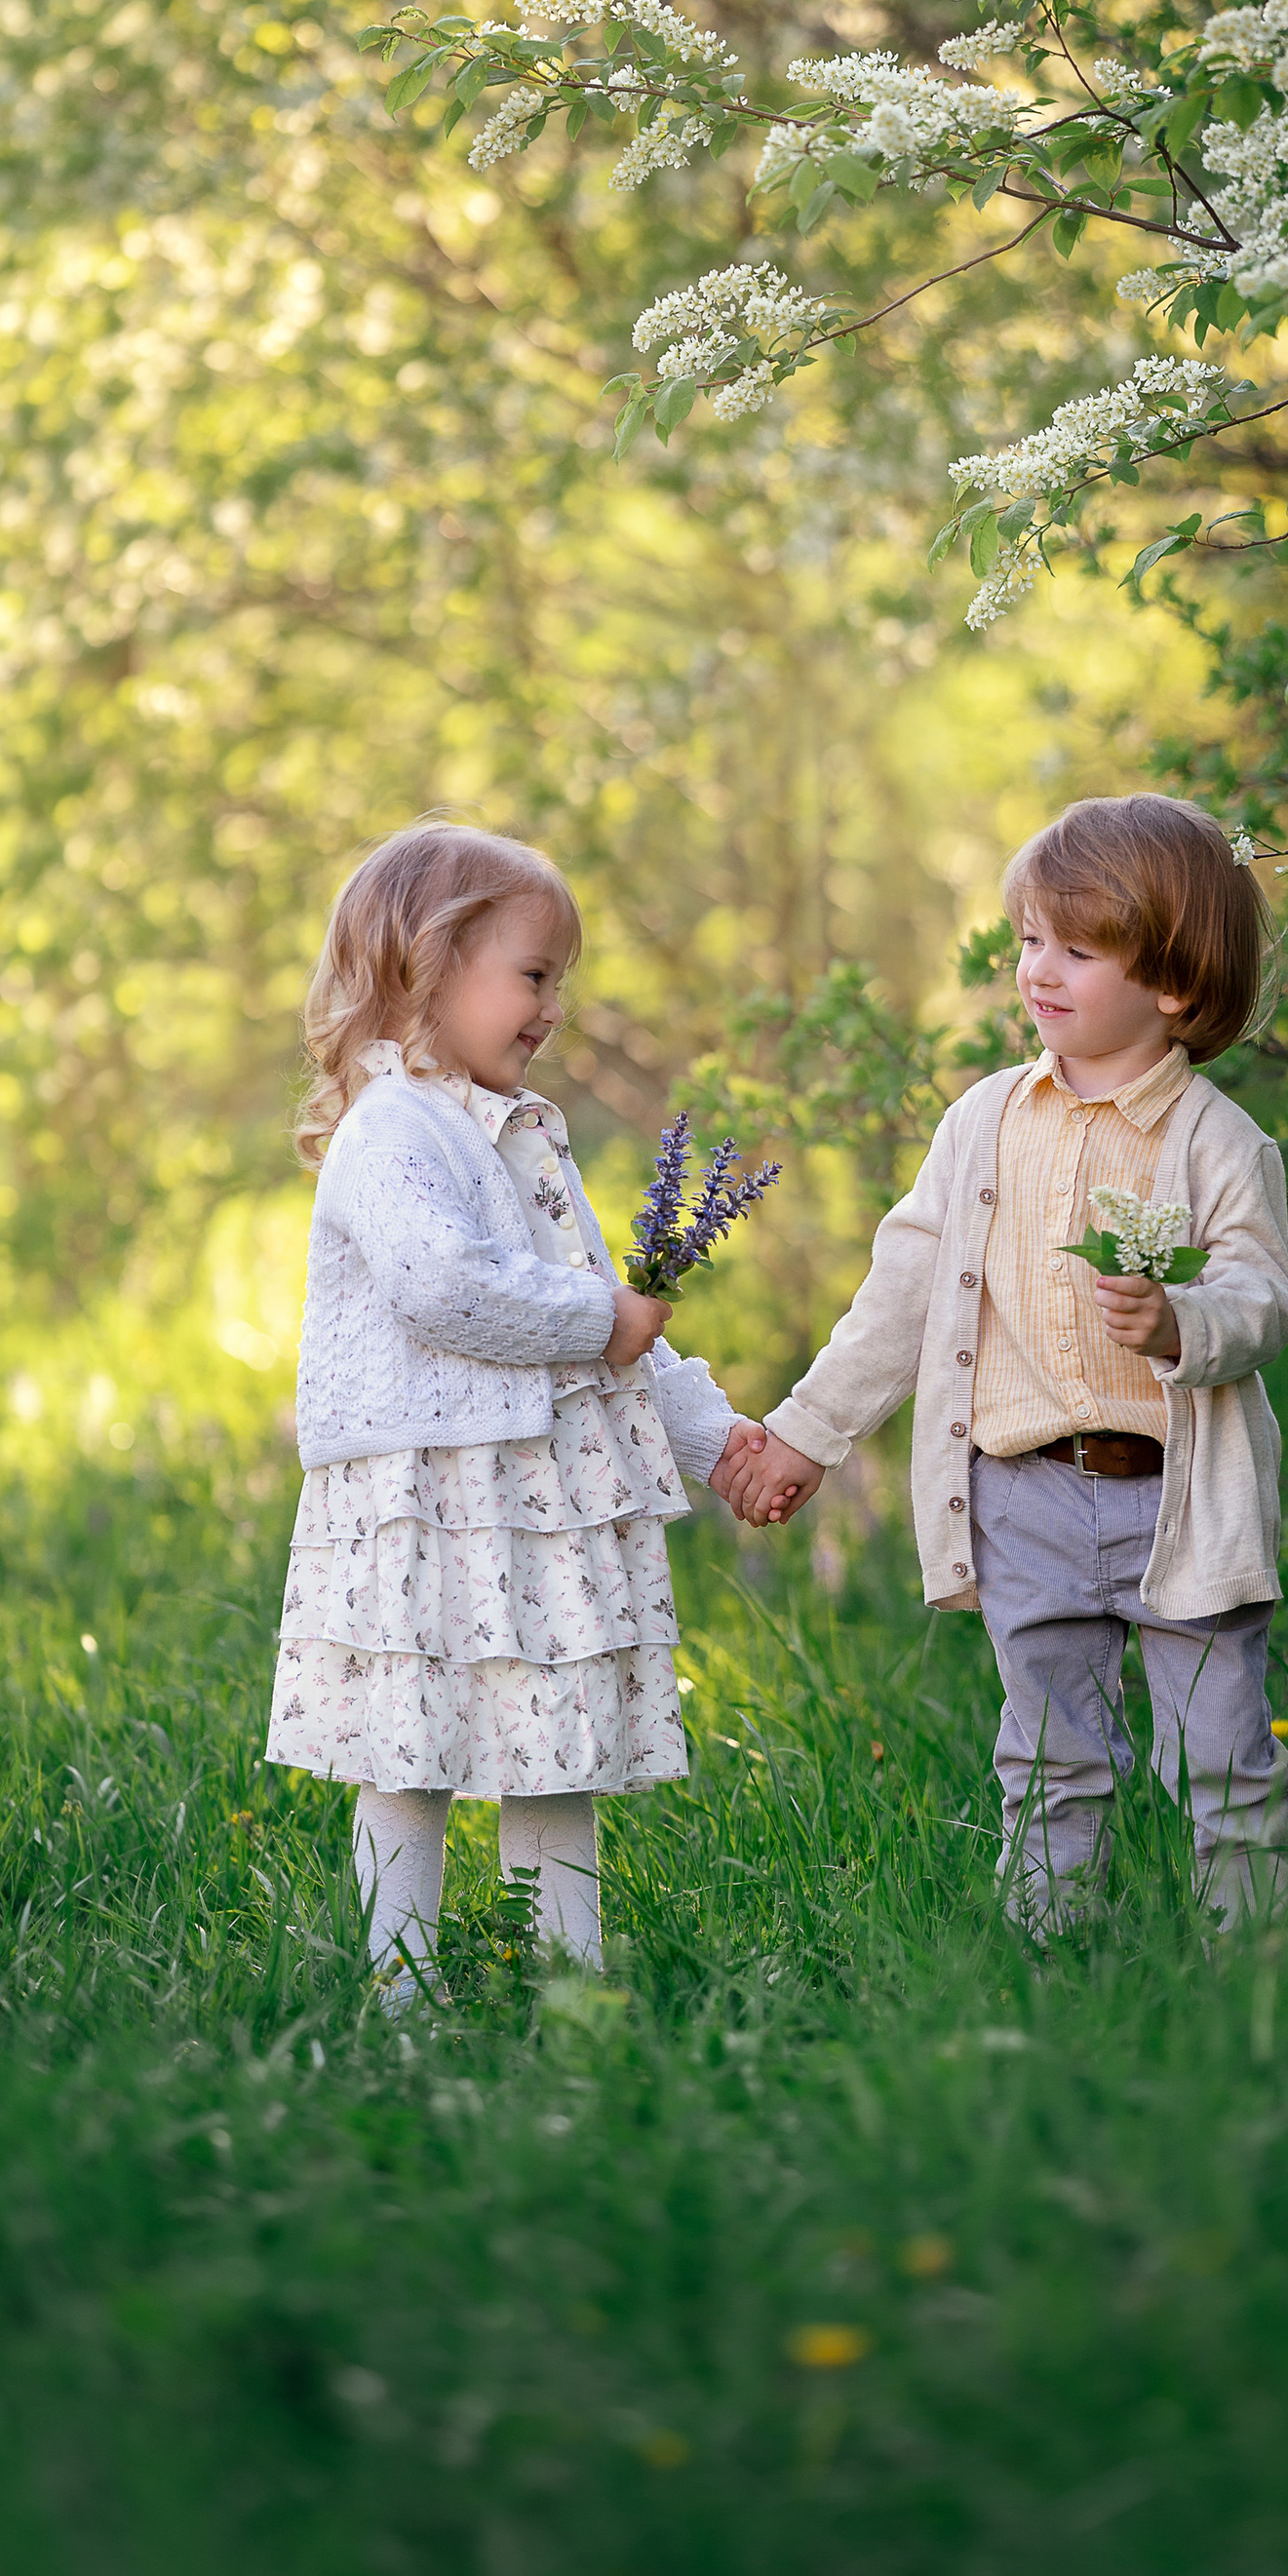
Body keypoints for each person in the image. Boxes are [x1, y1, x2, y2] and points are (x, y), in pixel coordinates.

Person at [718, 796, 1288, 1929]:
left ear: (1173, 985)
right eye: (1031, 938)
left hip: (1178, 1496)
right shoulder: (982, 1122)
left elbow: (1262, 1297)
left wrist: (1183, 1321)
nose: (1037, 968)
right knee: (1045, 1760)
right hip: (1024, 1494)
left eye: (1077, 950)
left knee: (1223, 1755)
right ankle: (1050, 1955)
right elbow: (902, 1294)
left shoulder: (1217, 1140)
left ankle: (1265, 1965)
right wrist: (806, 1432)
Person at [268, 823, 764, 2001]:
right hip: (424, 1496)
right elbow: (443, 1287)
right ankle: (402, 1990)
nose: (553, 1008)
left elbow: (615, 1333)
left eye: (561, 981)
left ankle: (568, 1980)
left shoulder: (528, 1135)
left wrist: (720, 1442)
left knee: (556, 1743)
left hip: (529, 1500)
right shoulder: (390, 1133)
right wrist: (600, 1319)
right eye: (534, 975)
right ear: (428, 966)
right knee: (410, 1748)